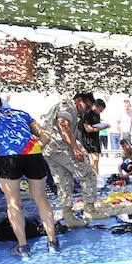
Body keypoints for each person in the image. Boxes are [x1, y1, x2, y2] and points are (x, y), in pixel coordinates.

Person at [0, 88, 59, 258]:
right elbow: (46, 134)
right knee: (41, 198)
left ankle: (23, 247)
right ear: (0, 102)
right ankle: (52, 242)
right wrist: (36, 148)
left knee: (13, 202)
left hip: (7, 157)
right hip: (33, 154)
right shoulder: (21, 113)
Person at [42, 92, 105, 228]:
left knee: (64, 182)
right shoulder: (67, 108)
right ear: (78, 100)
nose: (87, 110)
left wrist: (77, 146)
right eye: (86, 106)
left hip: (50, 150)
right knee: (88, 175)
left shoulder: (67, 110)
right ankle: (89, 210)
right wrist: (76, 148)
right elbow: (63, 126)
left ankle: (69, 217)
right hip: (60, 148)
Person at [80, 99, 107, 175]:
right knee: (94, 159)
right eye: (100, 109)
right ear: (96, 106)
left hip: (96, 139)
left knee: (96, 160)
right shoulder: (87, 114)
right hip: (89, 139)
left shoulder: (97, 115)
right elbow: (88, 129)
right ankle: (93, 175)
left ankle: (96, 175)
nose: (101, 111)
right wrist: (101, 128)